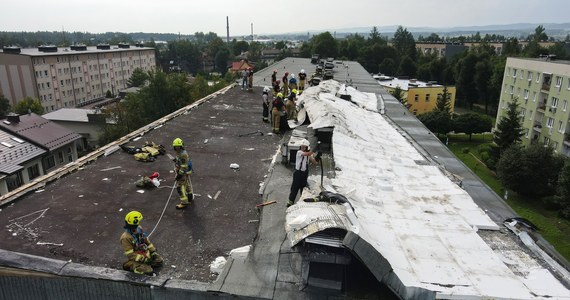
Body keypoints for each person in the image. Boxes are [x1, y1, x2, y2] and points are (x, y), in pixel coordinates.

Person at [120, 211, 163, 275]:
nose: (139, 222)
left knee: (159, 260)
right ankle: (130, 265)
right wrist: (143, 259)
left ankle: (145, 264)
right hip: (136, 258)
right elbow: (130, 254)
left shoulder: (139, 229)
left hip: (144, 254)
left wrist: (153, 252)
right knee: (149, 271)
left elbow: (147, 241)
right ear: (135, 222)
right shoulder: (125, 238)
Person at [287, 139, 318, 207]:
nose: (303, 148)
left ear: (307, 147)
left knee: (303, 188)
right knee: (294, 188)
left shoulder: (308, 155)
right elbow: (308, 153)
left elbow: (315, 162)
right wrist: (315, 149)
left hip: (304, 173)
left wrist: (317, 157)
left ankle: (302, 202)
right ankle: (290, 202)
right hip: (298, 173)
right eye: (302, 146)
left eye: (304, 147)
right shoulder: (299, 152)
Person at [172, 138, 193, 209]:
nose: (177, 148)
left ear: (181, 146)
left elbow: (184, 166)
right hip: (185, 172)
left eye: (178, 146)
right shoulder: (180, 152)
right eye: (176, 146)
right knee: (186, 184)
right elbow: (181, 161)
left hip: (183, 172)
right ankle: (190, 197)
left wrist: (179, 175)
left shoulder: (183, 154)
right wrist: (176, 160)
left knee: (180, 187)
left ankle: (184, 203)